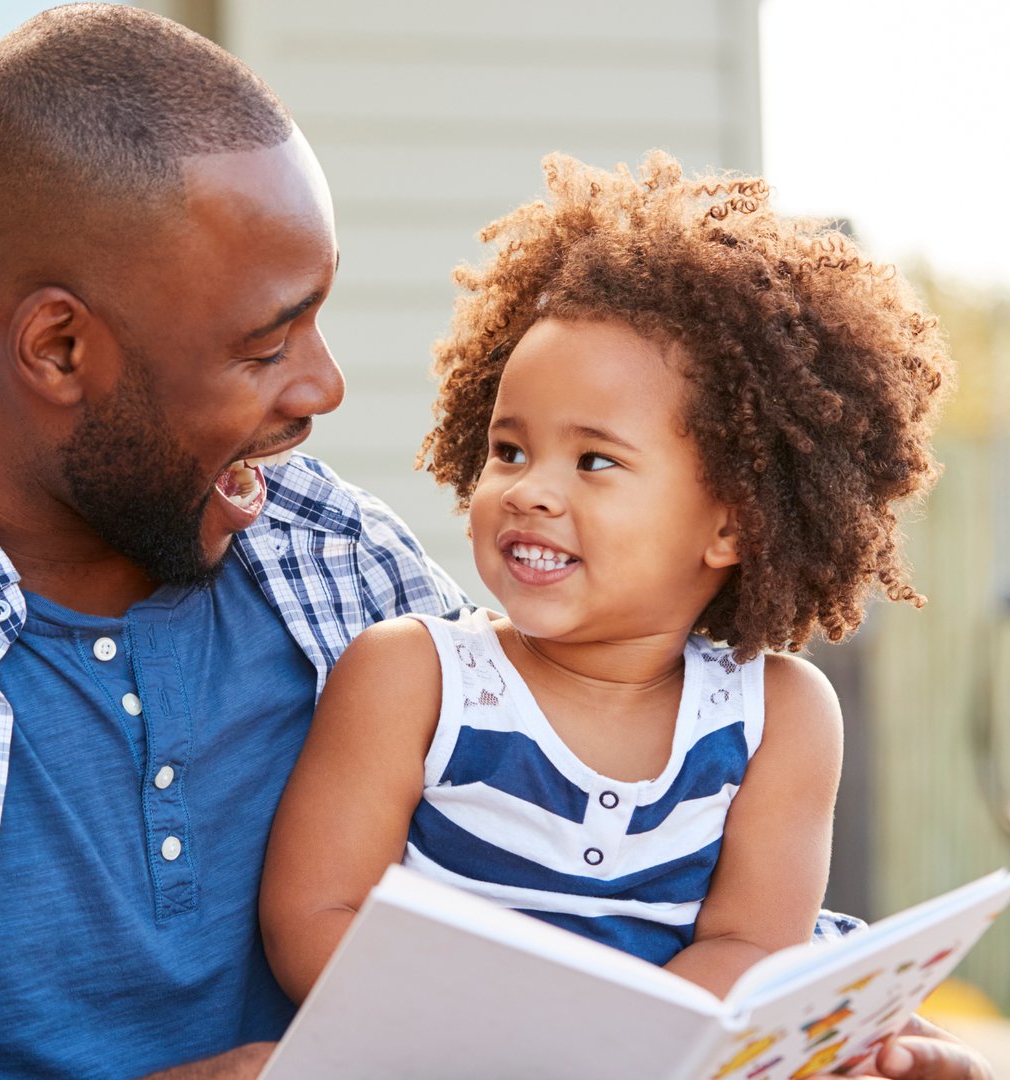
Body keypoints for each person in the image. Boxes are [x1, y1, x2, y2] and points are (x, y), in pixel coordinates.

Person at [0, 7, 997, 1079]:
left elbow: (598, 873)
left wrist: (837, 1026)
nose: (323, 390)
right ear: (61, 346)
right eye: (264, 342)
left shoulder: (331, 567)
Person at [260, 153, 946, 1003]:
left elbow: (750, 947)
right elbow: (317, 915)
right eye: (508, 450)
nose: (529, 490)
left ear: (733, 522)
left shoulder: (779, 720)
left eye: (594, 460)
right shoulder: (414, 678)